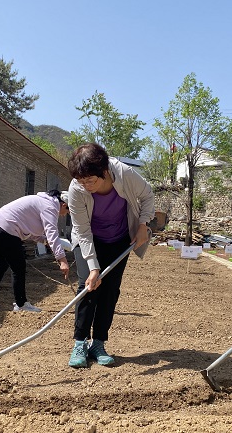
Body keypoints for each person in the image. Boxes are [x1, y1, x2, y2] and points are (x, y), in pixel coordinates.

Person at [66, 143, 155, 368]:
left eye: (90, 181)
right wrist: (93, 266)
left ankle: (98, 343)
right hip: (89, 239)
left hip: (118, 239)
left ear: (104, 171)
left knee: (110, 290)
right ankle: (79, 343)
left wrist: (143, 224)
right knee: (89, 288)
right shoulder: (77, 189)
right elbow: (83, 232)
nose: (85, 186)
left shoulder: (123, 173)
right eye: (81, 181)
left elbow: (147, 195)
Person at [0, 189, 70, 312]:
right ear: (64, 204)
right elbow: (52, 233)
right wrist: (62, 260)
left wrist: (45, 241)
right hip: (7, 229)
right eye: (67, 211)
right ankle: (21, 304)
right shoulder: (50, 207)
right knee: (18, 267)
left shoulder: (42, 202)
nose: (64, 215)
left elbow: (29, 231)